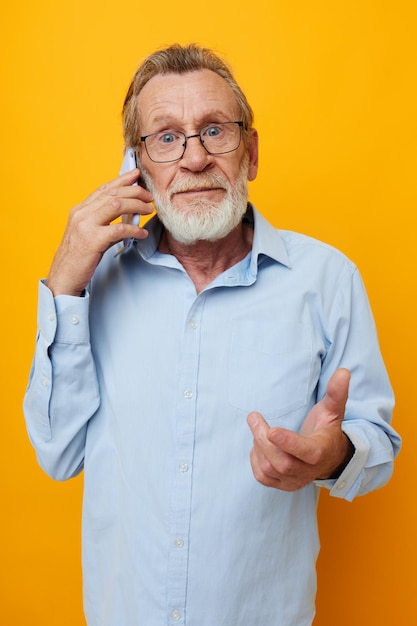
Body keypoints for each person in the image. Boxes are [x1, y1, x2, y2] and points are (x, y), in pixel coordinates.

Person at [23, 43, 401, 626]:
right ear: (137, 165)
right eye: (166, 137)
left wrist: (333, 457)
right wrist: (65, 286)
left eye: (215, 131)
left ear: (249, 152)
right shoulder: (93, 282)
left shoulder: (327, 279)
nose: (194, 159)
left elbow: (377, 444)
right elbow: (58, 454)